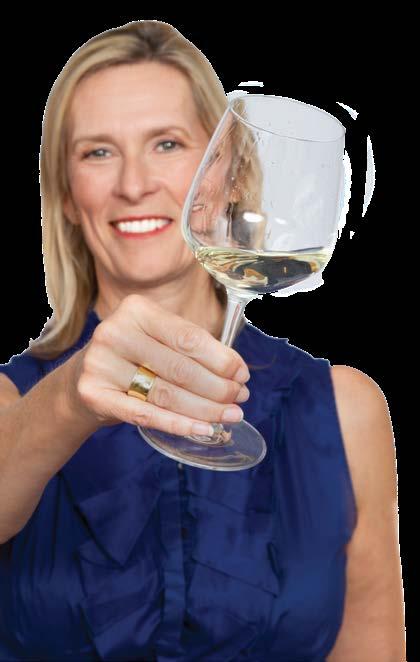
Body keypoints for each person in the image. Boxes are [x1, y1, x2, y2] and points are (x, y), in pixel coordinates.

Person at [0, 20, 405, 662]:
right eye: (98, 152)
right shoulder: (11, 400)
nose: (134, 184)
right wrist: (72, 398)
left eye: (166, 143)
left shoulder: (343, 410)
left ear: (229, 175)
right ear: (68, 198)